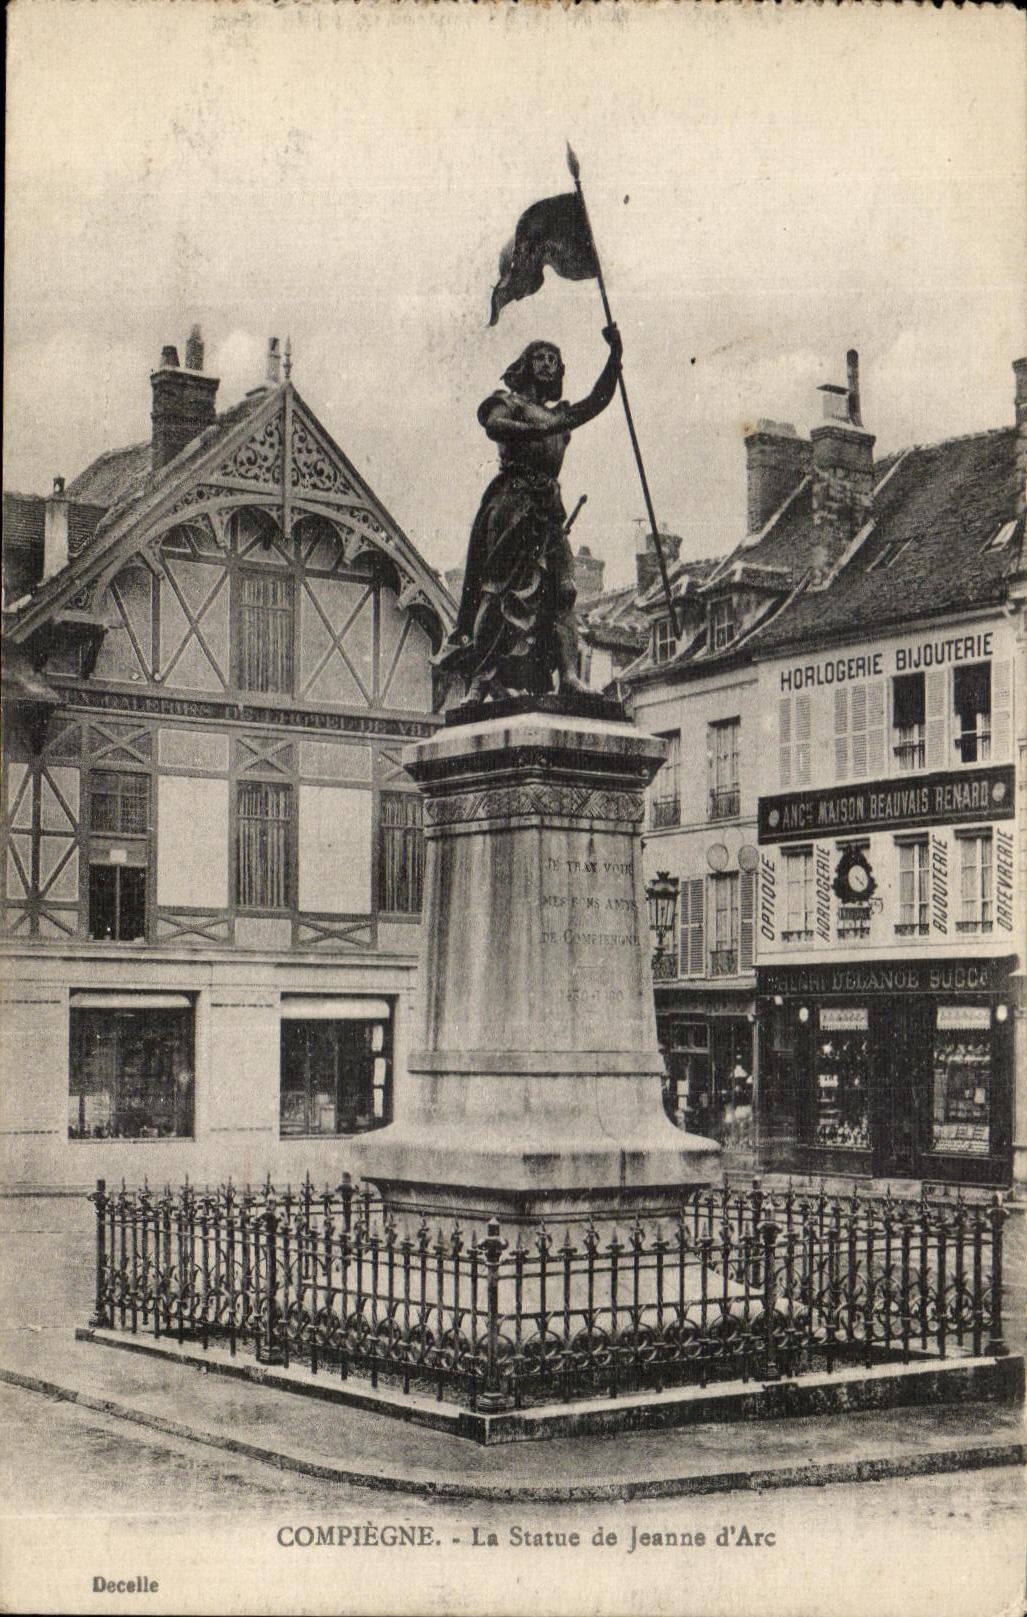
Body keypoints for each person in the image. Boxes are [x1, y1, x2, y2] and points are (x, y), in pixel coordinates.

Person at [436, 325, 623, 702]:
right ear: (525, 365)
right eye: (539, 357)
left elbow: (596, 401)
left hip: (548, 510)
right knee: (497, 590)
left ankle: (568, 674)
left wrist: (614, 358)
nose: (547, 363)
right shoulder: (508, 402)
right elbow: (493, 426)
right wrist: (542, 429)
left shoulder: (558, 415)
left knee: (564, 590)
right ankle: (481, 678)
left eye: (553, 358)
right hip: (513, 503)